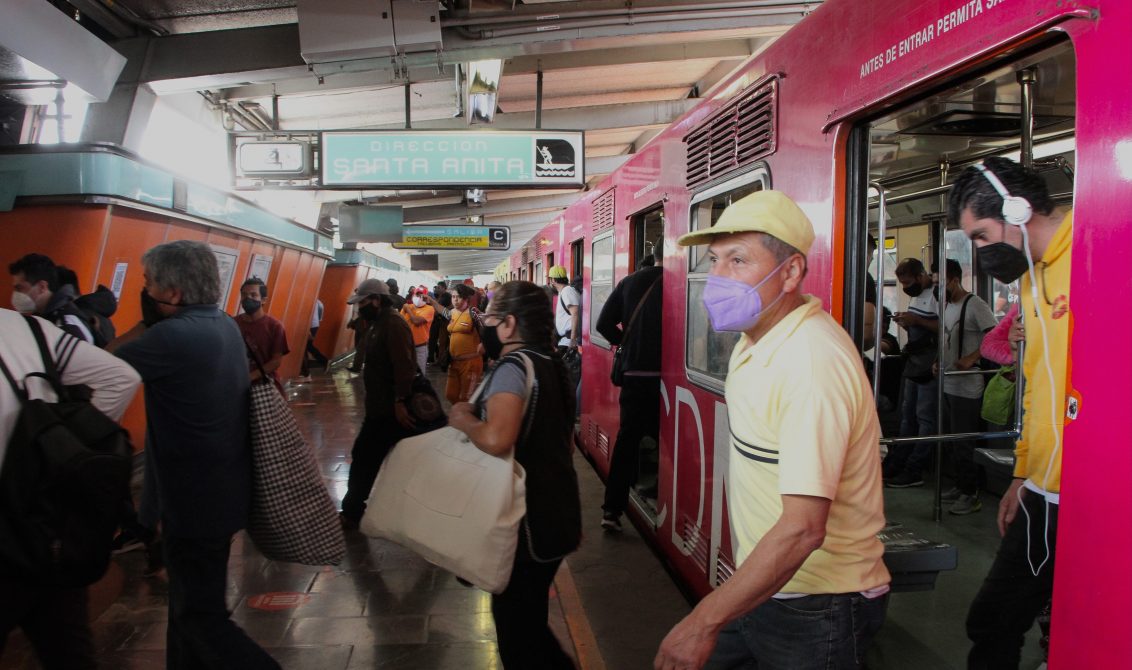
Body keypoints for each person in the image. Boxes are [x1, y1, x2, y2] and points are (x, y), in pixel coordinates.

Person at [655, 190, 889, 670]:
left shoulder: (810, 362)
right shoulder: (756, 338)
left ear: (790, 272)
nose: (717, 277)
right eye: (715, 259)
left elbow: (803, 529)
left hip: (819, 601)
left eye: (738, 260)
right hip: (769, 581)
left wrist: (703, 622)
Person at [107, 240, 280, 670]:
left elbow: (99, 366)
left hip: (192, 497)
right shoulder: (222, 324)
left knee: (201, 617)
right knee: (186, 614)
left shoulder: (171, 336)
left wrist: (142, 325)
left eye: (148, 284)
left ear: (174, 292)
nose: (144, 291)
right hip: (220, 488)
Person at [950, 156, 1072, 669]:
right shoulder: (1030, 278)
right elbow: (1037, 384)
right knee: (994, 620)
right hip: (1045, 486)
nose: (980, 252)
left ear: (1017, 210)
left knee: (1008, 618)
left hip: (1084, 489)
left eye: (981, 235)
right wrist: (1024, 473)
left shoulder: (1095, 254)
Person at [447, 280, 581, 669]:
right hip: (556, 517)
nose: (485, 327)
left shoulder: (512, 367)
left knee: (518, 637)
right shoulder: (551, 365)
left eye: (489, 319)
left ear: (508, 324)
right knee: (529, 627)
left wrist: (463, 419)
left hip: (523, 526)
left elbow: (498, 438)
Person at [0, 309, 141, 670]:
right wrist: (72, 447)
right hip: (52, 523)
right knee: (68, 650)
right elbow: (120, 377)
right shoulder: (27, 327)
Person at [338, 278, 419, 531]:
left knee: (364, 457)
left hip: (389, 409)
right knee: (366, 457)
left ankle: (352, 512)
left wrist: (400, 400)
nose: (359, 307)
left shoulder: (393, 324)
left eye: (362, 302)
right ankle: (352, 511)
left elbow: (404, 365)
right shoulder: (378, 323)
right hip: (379, 407)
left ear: (375, 299)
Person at [595, 253, 663, 532]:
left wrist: (628, 342)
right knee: (669, 443)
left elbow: (602, 324)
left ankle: (611, 510)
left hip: (635, 375)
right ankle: (662, 491)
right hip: (669, 380)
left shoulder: (630, 282)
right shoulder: (678, 281)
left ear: (655, 254)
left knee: (627, 443)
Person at [937, 259, 998, 515]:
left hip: (968, 385)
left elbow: (996, 334)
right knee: (952, 441)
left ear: (953, 280)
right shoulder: (949, 306)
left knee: (964, 441)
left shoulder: (975, 305)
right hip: (949, 381)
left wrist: (972, 358)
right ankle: (960, 485)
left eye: (941, 282)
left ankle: (971, 493)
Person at [883, 257, 940, 488]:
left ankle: (915, 468)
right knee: (907, 417)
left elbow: (942, 326)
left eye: (908, 283)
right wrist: (907, 323)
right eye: (903, 285)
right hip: (915, 360)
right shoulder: (916, 296)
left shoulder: (937, 295)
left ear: (920, 275)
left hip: (931, 361)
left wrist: (916, 320)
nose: (907, 288)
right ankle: (898, 461)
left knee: (925, 418)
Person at [9, 253, 94, 344]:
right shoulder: (42, 317)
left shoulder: (68, 325)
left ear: (42, 287)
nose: (16, 294)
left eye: (20, 288)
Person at [235, 277, 289, 386]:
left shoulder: (274, 326)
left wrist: (251, 377)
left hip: (264, 386)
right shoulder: (232, 323)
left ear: (263, 300)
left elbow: (276, 361)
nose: (248, 298)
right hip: (237, 384)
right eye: (244, 295)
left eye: (253, 295)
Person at [445, 284, 483, 404]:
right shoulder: (452, 313)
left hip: (471, 363)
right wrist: (430, 300)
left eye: (458, 297)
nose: (455, 300)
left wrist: (486, 347)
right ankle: (460, 417)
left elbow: (485, 332)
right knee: (450, 395)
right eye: (453, 296)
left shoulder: (473, 313)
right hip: (454, 362)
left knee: (467, 398)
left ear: (466, 299)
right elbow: (442, 311)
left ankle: (466, 419)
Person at [400, 285, 435, 373]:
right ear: (413, 295)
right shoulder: (408, 306)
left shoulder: (429, 309)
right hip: (406, 346)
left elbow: (416, 321)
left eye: (421, 295)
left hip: (420, 348)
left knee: (419, 374)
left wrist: (407, 310)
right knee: (404, 373)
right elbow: (400, 323)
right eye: (417, 294)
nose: (419, 297)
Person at [549, 265, 581, 353]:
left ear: (553, 280)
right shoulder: (563, 292)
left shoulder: (567, 291)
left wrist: (573, 339)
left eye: (550, 279)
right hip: (564, 341)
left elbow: (575, 313)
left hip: (568, 342)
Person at [299, 298, 328, 381]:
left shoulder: (307, 300)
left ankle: (307, 371)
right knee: (307, 346)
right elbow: (320, 317)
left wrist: (308, 330)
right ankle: (307, 369)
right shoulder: (319, 302)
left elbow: (304, 314)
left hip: (309, 326)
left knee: (305, 347)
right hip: (315, 325)